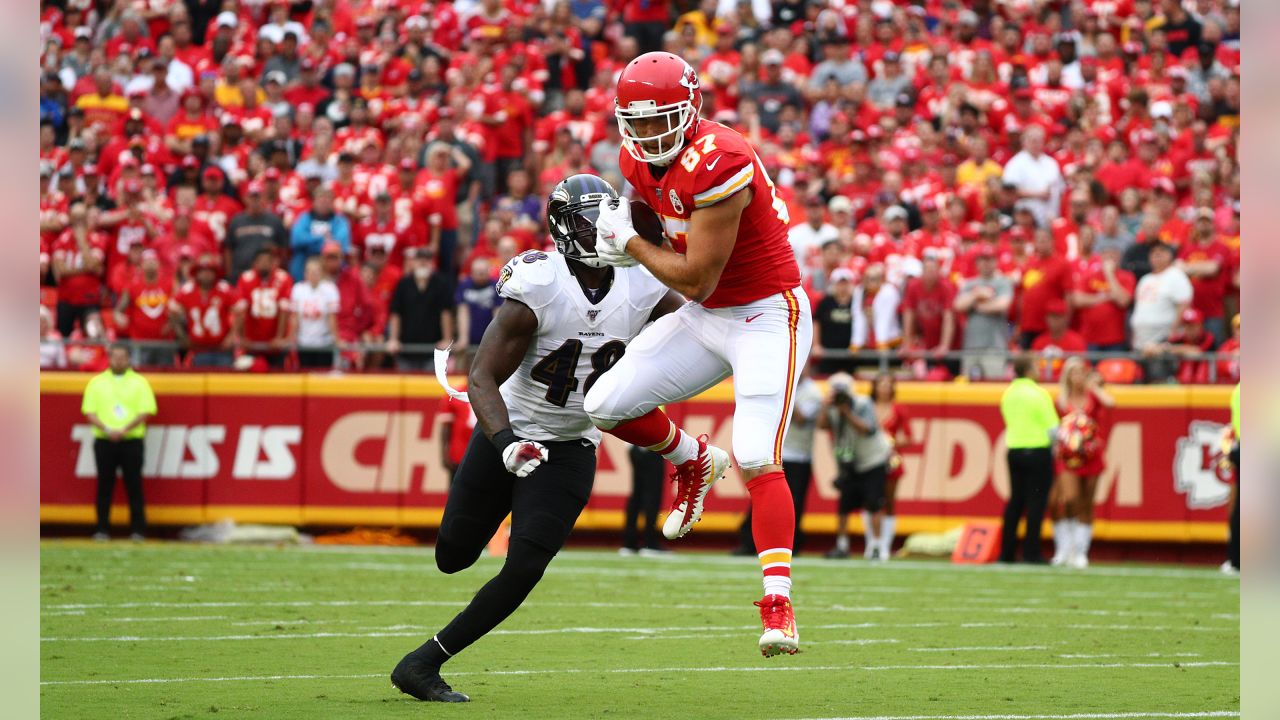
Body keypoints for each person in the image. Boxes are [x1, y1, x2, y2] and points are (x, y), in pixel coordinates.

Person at [390, 175, 684, 703]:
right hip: (510, 433)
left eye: (606, 217)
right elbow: (480, 376)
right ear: (565, 230)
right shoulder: (540, 283)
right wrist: (504, 442)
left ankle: (423, 663)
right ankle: (485, 499)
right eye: (590, 221)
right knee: (452, 555)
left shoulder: (643, 281)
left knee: (525, 565)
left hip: (571, 445)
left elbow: (694, 325)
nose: (601, 230)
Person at [584, 53, 812, 657]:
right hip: (707, 317)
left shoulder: (721, 160)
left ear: (691, 112)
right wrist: (626, 231)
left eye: (661, 120)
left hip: (765, 314)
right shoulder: (637, 157)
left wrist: (628, 242)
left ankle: (778, 604)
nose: (649, 135)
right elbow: (666, 241)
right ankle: (691, 460)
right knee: (603, 402)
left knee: (759, 454)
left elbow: (694, 279)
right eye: (638, 122)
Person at [733, 363, 822, 556]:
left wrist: (785, 390)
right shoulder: (781, 385)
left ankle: (791, 544)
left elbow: (799, 418)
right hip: (774, 452)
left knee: (794, 502)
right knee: (762, 497)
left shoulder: (813, 393)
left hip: (799, 456)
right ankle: (750, 541)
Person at [81, 343, 156, 542]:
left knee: (134, 485)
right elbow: (89, 411)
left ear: (129, 358)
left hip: (131, 440)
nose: (119, 360)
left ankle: (138, 530)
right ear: (109, 357)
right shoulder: (97, 382)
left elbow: (146, 410)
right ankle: (102, 529)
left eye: (123, 356)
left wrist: (124, 429)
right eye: (115, 356)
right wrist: (107, 429)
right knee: (105, 485)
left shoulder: (140, 382)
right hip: (105, 440)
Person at [1049, 358, 1115, 569]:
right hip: (1068, 459)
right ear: (1067, 376)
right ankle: (1064, 546)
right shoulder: (1061, 400)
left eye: (1081, 372)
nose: (1077, 377)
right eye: (1073, 373)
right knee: (1069, 499)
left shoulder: (1092, 395)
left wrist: (1093, 386)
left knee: (1087, 502)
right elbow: (1055, 428)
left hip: (1091, 456)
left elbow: (1111, 403)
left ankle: (1080, 551)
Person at [819, 373, 892, 561]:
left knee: (874, 503)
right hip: (850, 461)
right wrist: (825, 406)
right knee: (844, 506)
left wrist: (847, 412)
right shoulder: (832, 407)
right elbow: (821, 425)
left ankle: (876, 546)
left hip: (871, 460)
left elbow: (868, 430)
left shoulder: (863, 403)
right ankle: (842, 544)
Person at [998, 354, 1060, 564]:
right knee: (1036, 503)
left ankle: (1006, 553)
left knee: (1015, 501)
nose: (1039, 369)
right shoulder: (1039, 393)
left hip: (1014, 449)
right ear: (1028, 369)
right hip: (1038, 450)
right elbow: (1053, 428)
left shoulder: (1008, 393)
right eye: (1036, 365)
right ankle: (1031, 552)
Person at [387, 247, 455, 372]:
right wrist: (393, 339)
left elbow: (446, 312)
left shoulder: (441, 283)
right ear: (413, 262)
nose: (423, 262)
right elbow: (396, 313)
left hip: (433, 350)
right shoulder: (403, 284)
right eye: (420, 259)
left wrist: (446, 339)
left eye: (427, 259)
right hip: (406, 349)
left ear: (432, 262)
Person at [953, 244, 1014, 380]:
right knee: (968, 389)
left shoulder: (1002, 282)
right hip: (971, 346)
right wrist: (977, 295)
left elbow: (1002, 305)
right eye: (983, 259)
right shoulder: (970, 283)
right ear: (977, 263)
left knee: (994, 386)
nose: (986, 264)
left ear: (995, 261)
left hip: (995, 347)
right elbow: (958, 305)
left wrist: (976, 305)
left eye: (990, 259)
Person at [872, 373, 913, 563]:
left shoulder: (899, 409)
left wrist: (891, 441)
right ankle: (872, 543)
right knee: (871, 502)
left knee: (888, 503)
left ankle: (885, 546)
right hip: (870, 460)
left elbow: (908, 437)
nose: (885, 388)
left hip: (891, 460)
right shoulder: (867, 407)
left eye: (889, 384)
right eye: (882, 383)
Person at [169, 254, 237, 368]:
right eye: (202, 271)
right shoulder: (187, 290)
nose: (206, 274)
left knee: (224, 383)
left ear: (215, 273)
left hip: (222, 349)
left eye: (209, 271)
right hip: (198, 350)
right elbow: (172, 311)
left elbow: (240, 311)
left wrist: (232, 335)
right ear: (197, 273)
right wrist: (182, 336)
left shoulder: (224, 288)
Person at [231, 247, 293, 366]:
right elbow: (240, 310)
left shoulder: (283, 278)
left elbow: (284, 310)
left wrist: (279, 338)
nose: (264, 264)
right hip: (251, 341)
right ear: (255, 263)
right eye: (261, 261)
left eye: (267, 261)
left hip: (274, 341)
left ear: (273, 262)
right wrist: (242, 337)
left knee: (277, 378)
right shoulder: (245, 278)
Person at [288, 255, 342, 369]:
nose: (312, 274)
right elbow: (295, 317)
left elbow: (331, 317)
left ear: (322, 273)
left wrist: (336, 339)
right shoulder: (298, 289)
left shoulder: (330, 289)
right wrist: (291, 337)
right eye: (309, 271)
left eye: (316, 271)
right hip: (304, 342)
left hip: (324, 342)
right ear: (305, 273)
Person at [620, 445, 668, 556]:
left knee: (637, 494)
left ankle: (629, 543)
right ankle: (650, 543)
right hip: (651, 446)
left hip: (634, 447)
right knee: (652, 496)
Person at [811, 267, 854, 375]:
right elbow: (816, 322)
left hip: (851, 353)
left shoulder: (856, 302)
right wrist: (816, 344)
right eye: (840, 283)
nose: (842, 287)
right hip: (828, 352)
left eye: (845, 283)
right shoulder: (826, 302)